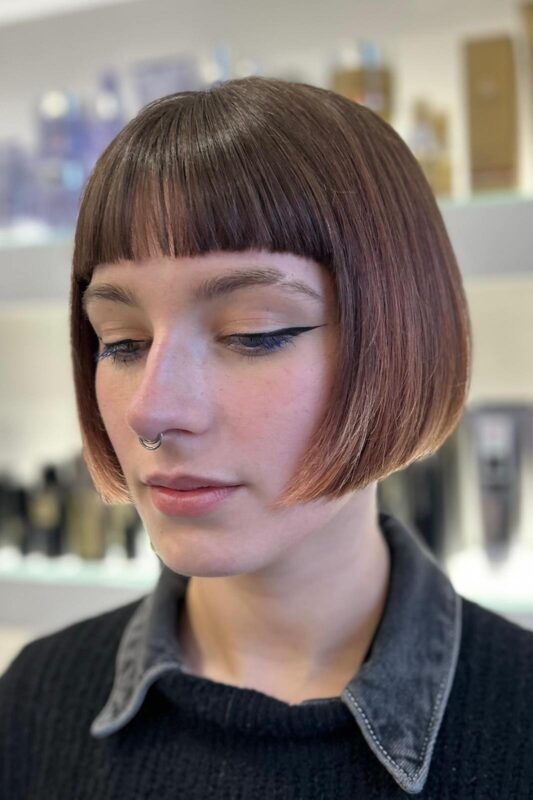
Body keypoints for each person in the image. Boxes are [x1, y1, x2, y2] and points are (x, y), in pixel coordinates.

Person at [1, 76, 532, 800]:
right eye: (121, 342)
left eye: (253, 333)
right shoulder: (39, 697)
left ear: (402, 337)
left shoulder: (514, 723)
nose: (151, 411)